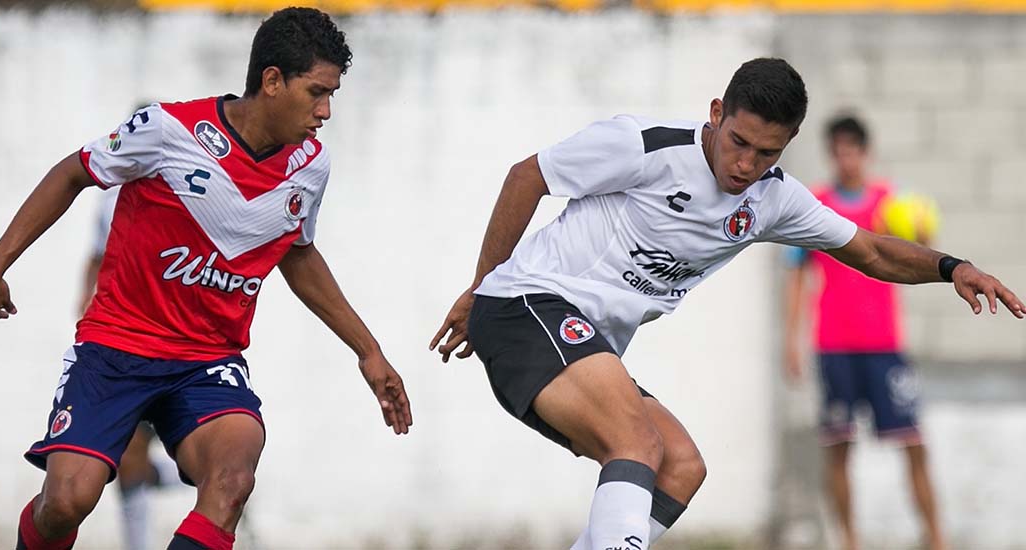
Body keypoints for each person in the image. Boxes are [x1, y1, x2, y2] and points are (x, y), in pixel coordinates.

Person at [429, 58, 1023, 550]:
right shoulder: (643, 146)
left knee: (682, 465)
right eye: (738, 142)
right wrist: (482, 288)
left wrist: (954, 268)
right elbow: (525, 176)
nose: (745, 164)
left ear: (787, 144)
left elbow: (869, 251)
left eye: (766, 153)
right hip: (528, 305)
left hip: (578, 337)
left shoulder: (774, 199)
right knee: (637, 443)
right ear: (716, 114)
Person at [0, 7, 412, 550]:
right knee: (67, 501)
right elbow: (73, 172)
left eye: (333, 95)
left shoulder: (310, 166)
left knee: (233, 481)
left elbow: (297, 254)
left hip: (208, 362)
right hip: (116, 347)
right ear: (272, 81)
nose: (326, 111)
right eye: (316, 93)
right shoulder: (167, 130)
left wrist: (367, 350)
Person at [783, 115, 945, 550]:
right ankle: (849, 540)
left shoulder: (889, 203)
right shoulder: (815, 205)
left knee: (913, 443)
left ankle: (936, 538)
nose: (846, 157)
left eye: (852, 149)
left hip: (884, 346)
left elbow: (919, 247)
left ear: (864, 152)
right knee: (838, 447)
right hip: (833, 346)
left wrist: (925, 234)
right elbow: (797, 276)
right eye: (838, 149)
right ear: (831, 153)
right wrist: (791, 341)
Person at [79, 185, 181, 550]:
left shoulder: (181, 191)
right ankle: (211, 478)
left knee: (129, 456)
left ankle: (219, 478)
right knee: (124, 458)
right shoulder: (109, 198)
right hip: (117, 347)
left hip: (165, 348)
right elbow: (96, 256)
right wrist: (86, 310)